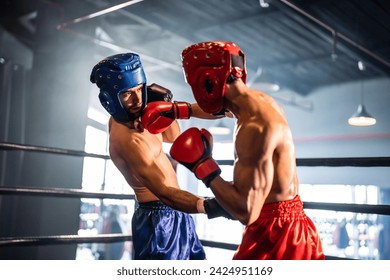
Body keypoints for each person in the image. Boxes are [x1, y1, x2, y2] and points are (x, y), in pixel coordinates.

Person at [166, 41, 325, 260]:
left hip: (274, 235)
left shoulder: (253, 129)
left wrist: (203, 167)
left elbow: (246, 211)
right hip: (297, 229)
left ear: (206, 81)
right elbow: (222, 110)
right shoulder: (259, 102)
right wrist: (180, 110)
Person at [90, 52, 233, 260]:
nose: (138, 99)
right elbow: (165, 193)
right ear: (110, 98)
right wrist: (212, 206)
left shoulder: (137, 112)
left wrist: (227, 108)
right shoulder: (130, 142)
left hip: (178, 210)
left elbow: (172, 135)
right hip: (158, 219)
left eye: (140, 89)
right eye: (128, 93)